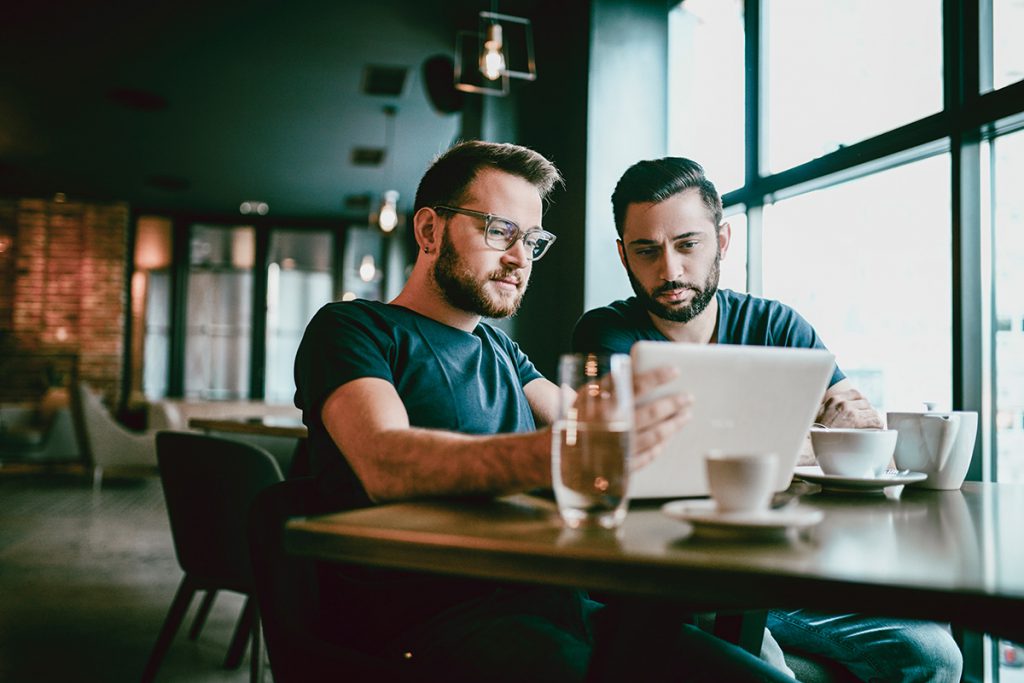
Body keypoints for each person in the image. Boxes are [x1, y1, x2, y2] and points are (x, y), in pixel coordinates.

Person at [293, 140, 798, 683]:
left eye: (532, 241)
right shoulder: (354, 329)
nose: (519, 259)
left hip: (561, 608)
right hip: (433, 627)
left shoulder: (500, 349)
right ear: (430, 231)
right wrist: (573, 452)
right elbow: (386, 461)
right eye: (498, 231)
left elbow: (585, 420)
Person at [572, 156, 964, 683]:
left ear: (722, 241)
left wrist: (732, 443)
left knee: (935, 655)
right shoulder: (606, 333)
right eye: (647, 251)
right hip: (678, 576)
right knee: (771, 670)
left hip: (790, 565)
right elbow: (632, 451)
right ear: (623, 254)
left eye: (688, 244)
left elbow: (864, 436)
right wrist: (803, 442)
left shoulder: (778, 325)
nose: (670, 270)